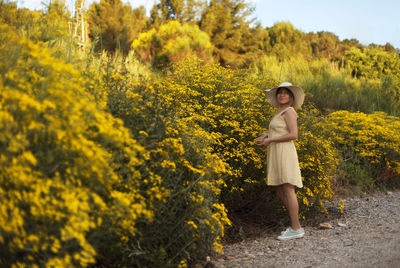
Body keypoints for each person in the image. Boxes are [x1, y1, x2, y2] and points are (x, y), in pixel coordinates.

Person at [255, 81, 305, 241]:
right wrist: (266, 135)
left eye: (285, 92)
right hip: (277, 152)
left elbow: (293, 134)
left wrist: (270, 140)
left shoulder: (289, 111)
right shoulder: (279, 111)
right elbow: (279, 131)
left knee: (288, 189)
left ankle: (296, 228)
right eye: (280, 92)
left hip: (285, 152)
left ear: (290, 97)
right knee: (279, 190)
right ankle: (295, 222)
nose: (282, 94)